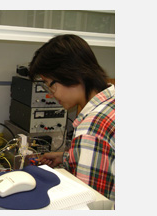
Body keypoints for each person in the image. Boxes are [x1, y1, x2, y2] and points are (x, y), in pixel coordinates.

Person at [29, 34, 115, 201]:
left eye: (50, 85)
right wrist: (69, 156)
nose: (52, 94)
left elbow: (89, 206)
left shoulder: (91, 129)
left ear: (71, 73)